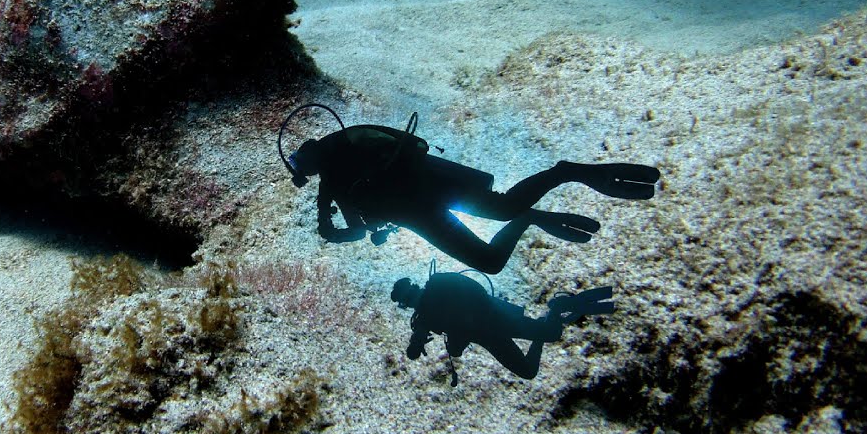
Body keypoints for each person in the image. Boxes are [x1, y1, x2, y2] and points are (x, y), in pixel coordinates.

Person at [279, 104, 660, 274]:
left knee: (494, 245)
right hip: (431, 200)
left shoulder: (336, 174)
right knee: (499, 229)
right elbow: (360, 224)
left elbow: (358, 228)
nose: (303, 170)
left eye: (298, 164)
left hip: (427, 204)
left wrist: (334, 230)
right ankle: (549, 191)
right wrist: (336, 227)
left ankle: (554, 187)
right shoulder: (340, 166)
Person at [391, 272, 615, 385]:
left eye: (410, 295)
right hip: (491, 334)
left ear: (415, 288)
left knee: (551, 334)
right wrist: (418, 343)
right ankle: (549, 319)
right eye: (408, 299)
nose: (413, 299)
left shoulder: (439, 284)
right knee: (528, 370)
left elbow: (475, 293)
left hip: (498, 320)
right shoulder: (424, 319)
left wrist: (464, 330)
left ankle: (555, 309)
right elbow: (416, 349)